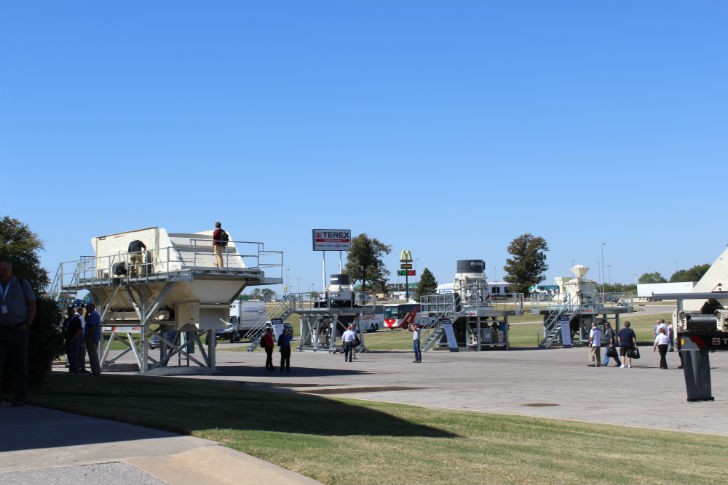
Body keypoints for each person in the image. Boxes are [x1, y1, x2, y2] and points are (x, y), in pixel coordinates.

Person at [0, 258, 37, 406]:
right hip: (2, 330)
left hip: (19, 330)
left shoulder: (21, 284)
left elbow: (32, 304)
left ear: (11, 270)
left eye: (4, 270)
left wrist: (28, 323)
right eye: (0, 270)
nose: (2, 273)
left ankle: (20, 397)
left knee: (20, 365)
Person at [83, 302, 102, 375]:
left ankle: (96, 371)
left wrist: (90, 337)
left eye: (87, 307)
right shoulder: (92, 315)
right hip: (93, 338)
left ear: (91, 307)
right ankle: (95, 370)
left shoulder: (94, 315)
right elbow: (86, 320)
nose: (86, 309)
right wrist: (87, 313)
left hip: (92, 338)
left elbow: (92, 327)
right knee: (92, 355)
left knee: (93, 355)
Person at [64, 307, 83, 374]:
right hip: (68, 339)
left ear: (73, 312)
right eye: (68, 311)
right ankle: (71, 369)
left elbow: (79, 330)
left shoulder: (76, 319)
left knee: (74, 355)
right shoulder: (67, 320)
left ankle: (74, 370)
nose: (69, 312)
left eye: (71, 311)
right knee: (69, 355)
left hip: (74, 340)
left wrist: (74, 338)